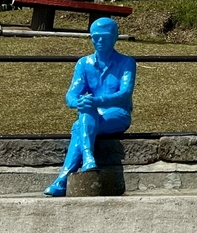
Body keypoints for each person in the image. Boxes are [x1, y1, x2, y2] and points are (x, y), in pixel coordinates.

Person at [44, 17, 136, 197]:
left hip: (118, 114)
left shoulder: (127, 62)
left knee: (80, 125)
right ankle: (87, 160)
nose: (99, 41)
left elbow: (125, 93)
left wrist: (96, 101)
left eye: (105, 36)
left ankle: (64, 178)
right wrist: (77, 102)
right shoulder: (84, 64)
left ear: (115, 37)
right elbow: (71, 93)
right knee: (85, 112)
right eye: (95, 37)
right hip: (92, 114)